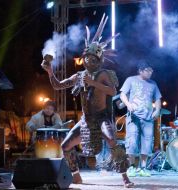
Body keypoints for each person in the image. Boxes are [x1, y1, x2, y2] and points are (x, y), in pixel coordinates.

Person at [41, 14, 134, 188]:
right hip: (86, 120)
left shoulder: (104, 74)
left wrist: (93, 83)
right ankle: (76, 176)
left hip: (102, 118)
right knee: (65, 145)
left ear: (99, 60)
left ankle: (125, 178)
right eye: (87, 58)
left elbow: (112, 91)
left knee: (112, 140)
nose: (88, 61)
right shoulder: (79, 76)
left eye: (93, 59)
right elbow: (58, 86)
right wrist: (50, 72)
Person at [120, 62, 162, 177]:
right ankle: (132, 167)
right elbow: (122, 94)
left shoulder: (153, 84)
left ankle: (143, 167)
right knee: (132, 141)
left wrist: (157, 110)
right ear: (140, 71)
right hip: (133, 116)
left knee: (147, 142)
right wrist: (128, 104)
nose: (150, 73)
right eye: (148, 70)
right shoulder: (131, 80)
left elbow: (158, 99)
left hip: (148, 118)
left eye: (151, 70)